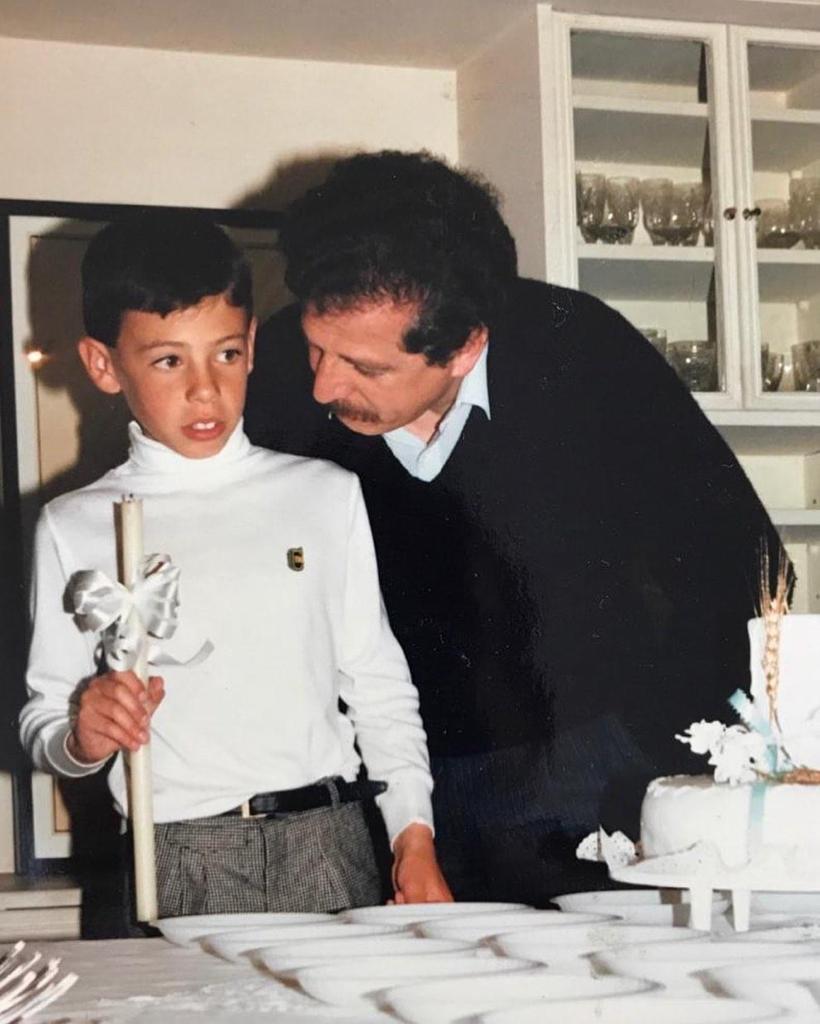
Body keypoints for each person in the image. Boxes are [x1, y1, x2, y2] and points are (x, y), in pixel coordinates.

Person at [244, 150, 784, 905]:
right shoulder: (269, 377)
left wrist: (663, 752)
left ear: (464, 346)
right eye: (315, 345)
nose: (323, 385)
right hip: (379, 786)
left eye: (365, 368)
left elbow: (747, 568)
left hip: (586, 775)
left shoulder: (582, 353)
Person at [19, 209, 450, 926]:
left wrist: (414, 835)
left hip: (329, 844)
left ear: (251, 345)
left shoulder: (324, 493)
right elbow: (45, 719)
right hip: (178, 855)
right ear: (103, 364)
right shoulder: (76, 524)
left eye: (224, 354)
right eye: (167, 360)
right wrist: (81, 733)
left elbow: (379, 686)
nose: (204, 389)